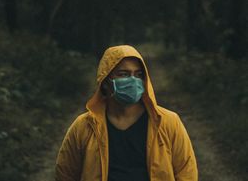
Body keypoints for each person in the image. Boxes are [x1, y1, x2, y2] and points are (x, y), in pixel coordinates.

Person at [55, 45, 198, 181]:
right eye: (124, 74)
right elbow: (65, 174)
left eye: (138, 74)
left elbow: (186, 172)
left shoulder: (167, 122)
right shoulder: (84, 126)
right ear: (105, 81)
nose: (133, 80)